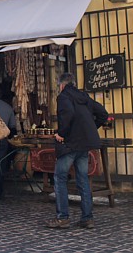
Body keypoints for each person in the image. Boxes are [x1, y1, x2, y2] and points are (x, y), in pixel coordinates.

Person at [46, 72, 109, 230]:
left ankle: (63, 217)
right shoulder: (84, 97)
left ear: (61, 85)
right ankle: (87, 218)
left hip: (70, 144)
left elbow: (68, 114)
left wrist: (61, 133)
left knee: (60, 178)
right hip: (85, 144)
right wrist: (90, 129)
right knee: (83, 179)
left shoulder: (63, 97)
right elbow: (103, 113)